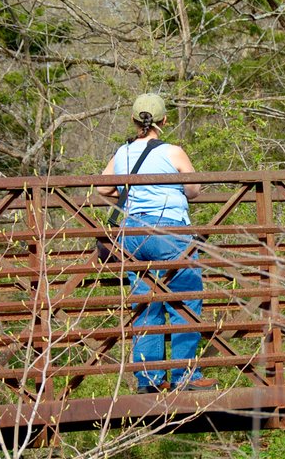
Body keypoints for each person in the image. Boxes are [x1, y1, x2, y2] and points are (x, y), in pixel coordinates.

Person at [99, 93, 217, 394]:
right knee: (186, 300)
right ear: (163, 121)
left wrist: (127, 196)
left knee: (145, 305)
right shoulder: (173, 152)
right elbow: (193, 189)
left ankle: (148, 380)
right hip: (169, 231)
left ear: (134, 120)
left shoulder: (122, 152)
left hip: (133, 233)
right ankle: (184, 377)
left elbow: (102, 187)